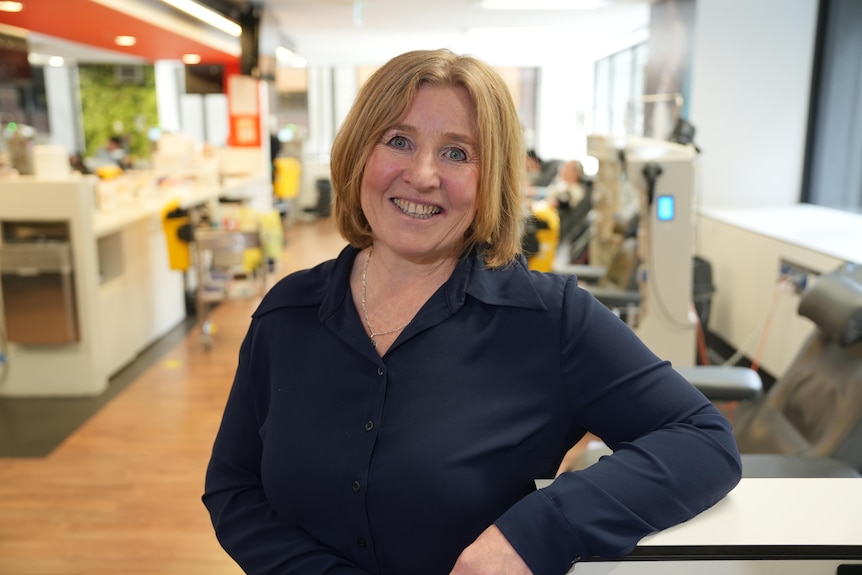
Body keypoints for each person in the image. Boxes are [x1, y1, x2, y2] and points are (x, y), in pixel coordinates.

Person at [202, 48, 742, 575]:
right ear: (357, 154)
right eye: (398, 141)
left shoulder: (550, 320)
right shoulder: (287, 314)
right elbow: (235, 487)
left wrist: (536, 531)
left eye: (458, 153)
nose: (423, 175)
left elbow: (701, 440)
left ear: (491, 180)